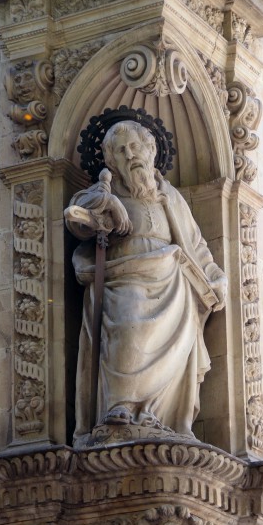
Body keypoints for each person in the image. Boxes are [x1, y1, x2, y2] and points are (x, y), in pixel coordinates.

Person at [65, 119, 227, 446]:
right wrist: (106, 206)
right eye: (121, 151)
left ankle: (156, 413)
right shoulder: (105, 191)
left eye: (135, 147)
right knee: (129, 326)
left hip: (172, 281)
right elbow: (77, 218)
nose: (130, 155)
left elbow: (196, 246)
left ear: (150, 150)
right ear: (112, 162)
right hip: (124, 278)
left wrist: (214, 277)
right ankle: (120, 406)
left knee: (175, 339)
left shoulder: (172, 197)